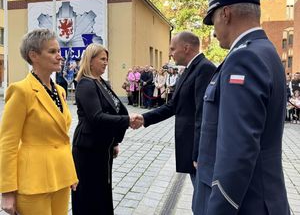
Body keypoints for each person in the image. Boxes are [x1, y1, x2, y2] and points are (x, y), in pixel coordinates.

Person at [192, 0, 290, 215]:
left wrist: (218, 209)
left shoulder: (243, 58)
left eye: (213, 20)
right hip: (261, 197)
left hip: (244, 204)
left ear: (225, 14)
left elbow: (237, 152)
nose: (213, 32)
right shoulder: (265, 51)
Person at [0, 29, 78, 215]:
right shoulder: (21, 91)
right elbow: (8, 143)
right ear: (33, 56)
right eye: (52, 52)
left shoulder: (59, 90)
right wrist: (7, 191)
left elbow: (61, 138)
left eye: (59, 51)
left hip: (61, 176)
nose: (60, 56)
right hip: (33, 181)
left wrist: (70, 171)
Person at [132, 31, 216, 186]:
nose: (170, 54)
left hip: (197, 151)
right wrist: (145, 118)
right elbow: (173, 105)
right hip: (188, 146)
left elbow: (203, 115)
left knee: (202, 203)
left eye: (172, 49)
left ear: (186, 48)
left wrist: (198, 153)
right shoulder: (188, 69)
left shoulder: (204, 69)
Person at [71, 43, 136, 215]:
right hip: (88, 148)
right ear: (90, 61)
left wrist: (115, 141)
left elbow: (114, 109)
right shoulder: (86, 84)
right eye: (102, 59)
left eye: (107, 59)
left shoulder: (101, 82)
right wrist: (127, 120)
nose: (106, 62)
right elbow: (96, 118)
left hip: (102, 147)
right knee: (88, 194)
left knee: (102, 190)